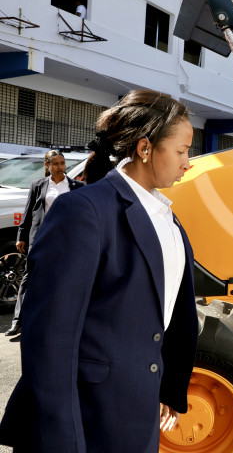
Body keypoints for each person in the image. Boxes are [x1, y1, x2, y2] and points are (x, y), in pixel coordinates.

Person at [0, 90, 199, 452]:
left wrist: (169, 389)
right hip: (86, 420)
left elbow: (170, 314)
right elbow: (49, 338)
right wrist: (61, 441)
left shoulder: (167, 219)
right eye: (182, 151)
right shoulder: (83, 211)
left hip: (138, 410)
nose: (189, 163)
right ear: (145, 148)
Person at [5, 150, 84, 336]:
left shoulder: (77, 187)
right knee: (29, 278)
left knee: (63, 279)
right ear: (47, 165)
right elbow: (28, 212)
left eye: (62, 163)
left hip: (65, 241)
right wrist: (21, 236)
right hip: (40, 238)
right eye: (55, 163)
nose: (60, 167)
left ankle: (59, 320)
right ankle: (18, 321)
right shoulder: (38, 185)